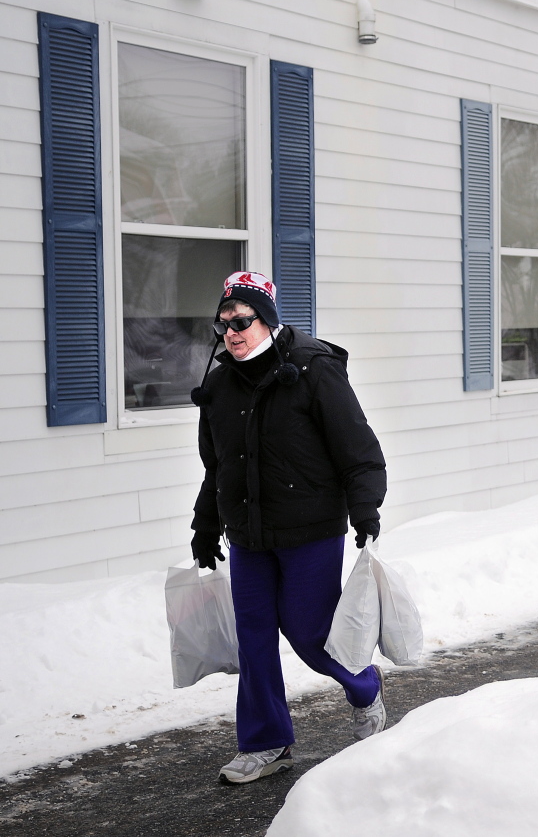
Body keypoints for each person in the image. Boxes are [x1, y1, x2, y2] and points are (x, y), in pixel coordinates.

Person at [189, 271, 388, 784]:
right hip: (249, 534)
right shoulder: (219, 385)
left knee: (310, 633)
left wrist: (366, 509)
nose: (230, 332)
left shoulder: (313, 370)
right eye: (223, 324)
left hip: (311, 529)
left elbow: (357, 448)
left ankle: (365, 688)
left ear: (268, 320)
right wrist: (205, 528)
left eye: (241, 321)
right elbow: (218, 468)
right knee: (253, 639)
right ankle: (266, 742)